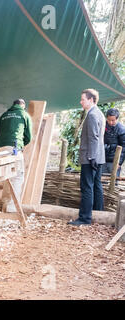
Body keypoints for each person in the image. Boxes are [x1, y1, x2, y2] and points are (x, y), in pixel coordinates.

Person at [69, 88, 105, 226]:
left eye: (83, 99)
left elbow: (93, 138)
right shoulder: (99, 113)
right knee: (96, 185)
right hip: (98, 156)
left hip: (91, 157)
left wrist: (91, 157)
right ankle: (98, 212)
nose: (81, 102)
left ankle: (85, 218)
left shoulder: (92, 115)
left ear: (91, 100)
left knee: (87, 187)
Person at [0, 98, 32, 212]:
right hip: (14, 147)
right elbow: (28, 136)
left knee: (7, 175)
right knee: (18, 176)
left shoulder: (4, 115)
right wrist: (21, 145)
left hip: (1, 148)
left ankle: (4, 203)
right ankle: (12, 207)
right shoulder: (24, 114)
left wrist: (2, 146)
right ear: (23, 106)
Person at [103, 108, 125, 177]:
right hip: (102, 159)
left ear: (117, 119)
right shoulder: (103, 126)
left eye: (113, 120)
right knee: (102, 181)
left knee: (114, 182)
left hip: (114, 161)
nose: (110, 122)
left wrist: (119, 163)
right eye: (109, 120)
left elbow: (123, 147)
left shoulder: (121, 129)